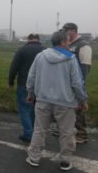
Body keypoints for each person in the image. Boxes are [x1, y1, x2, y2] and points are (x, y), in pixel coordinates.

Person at [25, 30, 88, 171]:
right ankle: (65, 161)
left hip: (43, 100)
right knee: (66, 132)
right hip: (65, 102)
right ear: (63, 42)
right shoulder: (71, 59)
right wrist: (83, 100)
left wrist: (30, 92)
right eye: (68, 41)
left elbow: (31, 77)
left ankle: (34, 157)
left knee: (39, 130)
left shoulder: (41, 56)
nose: (70, 43)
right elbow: (77, 83)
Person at [8, 34, 45, 143]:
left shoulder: (22, 50)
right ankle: (35, 132)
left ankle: (28, 134)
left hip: (23, 83)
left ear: (29, 39)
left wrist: (11, 81)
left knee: (24, 108)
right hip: (40, 85)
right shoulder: (45, 51)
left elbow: (14, 67)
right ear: (38, 39)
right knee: (35, 109)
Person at [62, 22, 92, 144]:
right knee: (67, 107)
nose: (64, 33)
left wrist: (80, 84)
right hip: (66, 82)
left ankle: (82, 134)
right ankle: (66, 130)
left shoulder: (83, 45)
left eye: (66, 30)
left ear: (74, 30)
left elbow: (85, 67)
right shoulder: (69, 44)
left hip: (77, 82)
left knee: (78, 107)